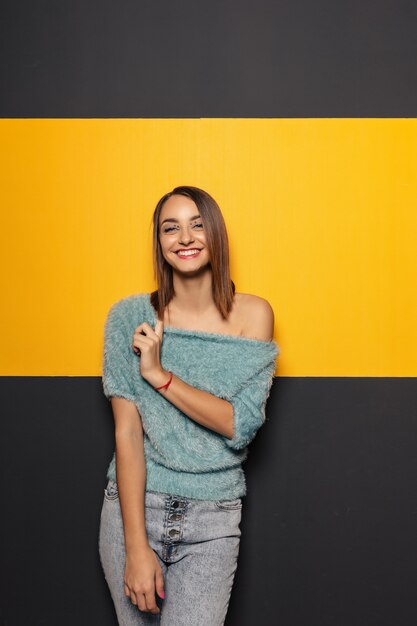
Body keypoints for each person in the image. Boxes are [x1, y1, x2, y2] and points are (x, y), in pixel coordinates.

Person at [98, 185, 279, 626]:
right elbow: (128, 435)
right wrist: (136, 547)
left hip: (212, 518)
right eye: (170, 228)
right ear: (159, 243)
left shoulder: (254, 315)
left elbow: (239, 423)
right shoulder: (129, 317)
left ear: (215, 234)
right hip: (134, 512)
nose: (185, 237)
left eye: (197, 224)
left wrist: (159, 375)